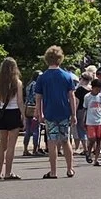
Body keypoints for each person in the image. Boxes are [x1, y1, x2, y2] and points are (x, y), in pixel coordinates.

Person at [33, 46, 77, 179]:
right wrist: (74, 114)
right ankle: (70, 169)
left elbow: (38, 97)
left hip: (50, 112)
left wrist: (39, 112)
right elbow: (71, 96)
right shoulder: (67, 76)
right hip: (64, 112)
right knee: (65, 140)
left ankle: (53, 171)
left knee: (52, 141)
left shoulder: (42, 78)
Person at [0, 57, 25, 182]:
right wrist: (23, 116)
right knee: (11, 146)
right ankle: (8, 172)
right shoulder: (17, 83)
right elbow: (20, 101)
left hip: (3, 113)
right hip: (14, 113)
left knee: (2, 145)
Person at [81, 77, 101, 167]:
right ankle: (88, 152)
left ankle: (96, 159)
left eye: (100, 89)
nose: (98, 90)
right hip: (90, 121)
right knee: (92, 139)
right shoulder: (87, 97)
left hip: (99, 121)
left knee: (98, 140)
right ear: (92, 88)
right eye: (97, 88)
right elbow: (85, 109)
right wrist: (83, 120)